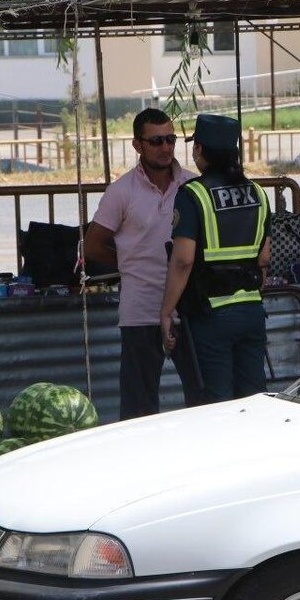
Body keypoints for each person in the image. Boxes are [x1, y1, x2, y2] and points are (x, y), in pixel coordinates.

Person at [84, 108, 200, 419]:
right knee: (138, 408)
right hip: (141, 311)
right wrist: (129, 263)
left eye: (171, 140)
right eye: (156, 141)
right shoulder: (121, 191)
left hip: (188, 308)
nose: (165, 147)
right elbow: (92, 246)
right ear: (137, 145)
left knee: (203, 400)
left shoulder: (193, 186)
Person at [159, 114, 271, 403]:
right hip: (251, 311)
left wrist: (166, 311)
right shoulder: (257, 192)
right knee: (253, 401)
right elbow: (264, 258)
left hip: (211, 315)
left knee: (215, 405)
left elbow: (183, 260)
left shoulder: (193, 194)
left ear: (199, 150)